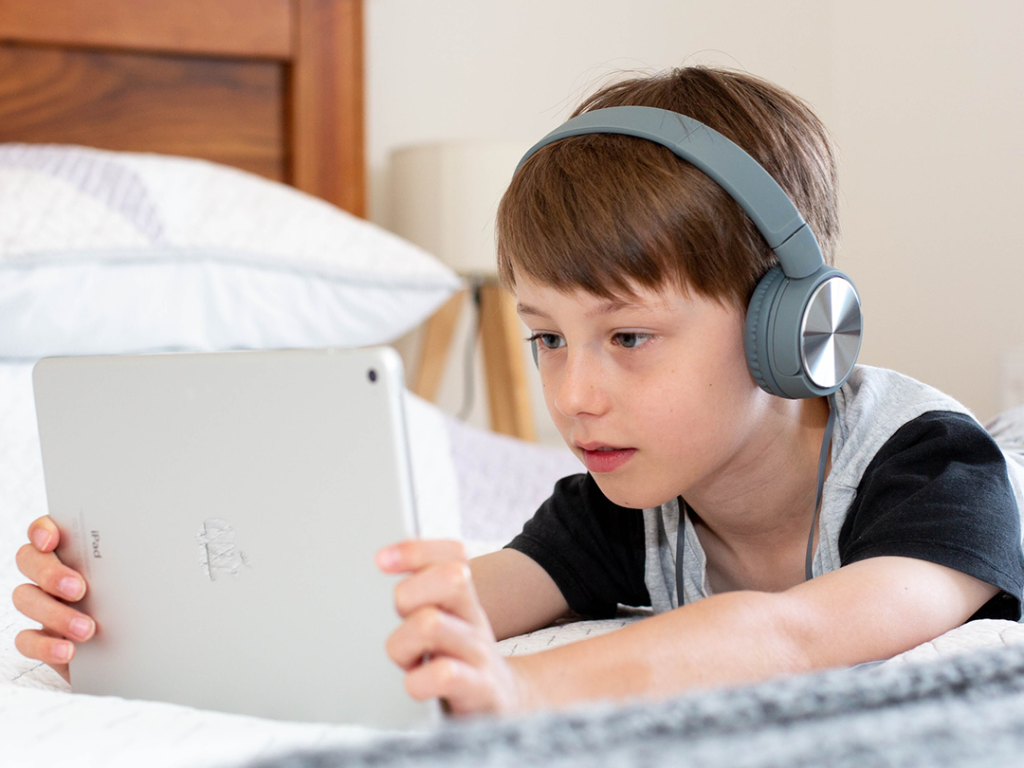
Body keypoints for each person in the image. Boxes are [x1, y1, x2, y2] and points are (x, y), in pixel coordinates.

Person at [15, 66, 1024, 718]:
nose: (575, 394)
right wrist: (147, 629)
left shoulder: (934, 469)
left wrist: (518, 690)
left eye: (628, 336)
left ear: (791, 330)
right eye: (544, 338)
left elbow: (793, 632)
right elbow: (418, 611)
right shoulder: (622, 501)